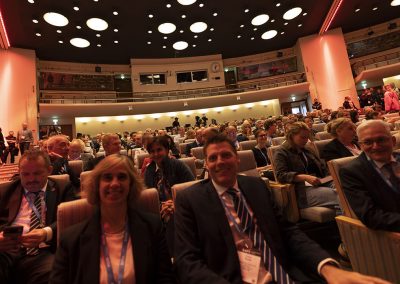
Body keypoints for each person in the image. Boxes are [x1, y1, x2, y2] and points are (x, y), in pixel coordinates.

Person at [174, 134, 388, 283]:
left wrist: (327, 267)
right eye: (213, 158)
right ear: (206, 165)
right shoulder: (190, 200)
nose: (220, 161)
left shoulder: (256, 186)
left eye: (226, 155)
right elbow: (187, 261)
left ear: (237, 159)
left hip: (285, 275)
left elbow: (288, 232)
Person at [49, 154, 175, 283]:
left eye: (121, 177)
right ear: (97, 185)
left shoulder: (152, 228)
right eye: (107, 177)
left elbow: (165, 279)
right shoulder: (70, 239)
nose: (114, 184)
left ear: (131, 184)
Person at [0, 150, 76, 284]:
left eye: (37, 173)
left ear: (49, 170)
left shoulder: (63, 188)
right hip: (6, 251)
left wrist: (46, 233)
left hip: (43, 251)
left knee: (53, 274)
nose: (31, 179)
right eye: (25, 174)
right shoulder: (5, 191)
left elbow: (71, 220)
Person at [340, 120, 400, 232]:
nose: (376, 146)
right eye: (368, 142)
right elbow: (371, 216)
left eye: (381, 140)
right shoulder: (352, 172)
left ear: (393, 141)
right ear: (361, 146)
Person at [274, 122, 339, 209]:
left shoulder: (307, 149)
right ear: (292, 136)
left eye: (307, 138)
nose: (305, 140)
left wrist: (330, 176)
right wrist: (304, 177)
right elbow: (280, 175)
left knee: (344, 188)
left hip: (320, 182)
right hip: (302, 190)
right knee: (338, 196)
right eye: (302, 137)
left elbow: (322, 167)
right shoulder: (281, 152)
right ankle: (346, 222)